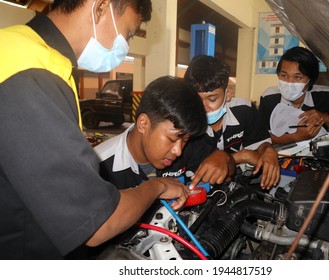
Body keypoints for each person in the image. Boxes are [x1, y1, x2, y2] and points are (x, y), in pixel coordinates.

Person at [0, 0, 190, 260]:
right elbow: (98, 223)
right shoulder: (31, 74)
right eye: (129, 34)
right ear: (101, 7)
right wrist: (157, 187)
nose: (126, 46)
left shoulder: (21, 49)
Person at [94, 75, 229, 189]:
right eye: (172, 139)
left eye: (185, 140)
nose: (178, 151)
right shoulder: (97, 168)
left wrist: (224, 158)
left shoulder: (186, 142)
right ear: (144, 124)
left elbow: (226, 165)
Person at [184, 55, 280, 190]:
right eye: (196, 100)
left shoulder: (244, 110)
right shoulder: (184, 125)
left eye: (212, 99)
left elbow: (260, 145)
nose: (203, 108)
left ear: (227, 94)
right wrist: (242, 155)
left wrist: (269, 151)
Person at [258, 46, 329, 145]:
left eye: (297, 77)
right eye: (284, 75)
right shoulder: (269, 97)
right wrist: (296, 137)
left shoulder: (328, 96)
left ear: (310, 80)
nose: (289, 82)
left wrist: (327, 119)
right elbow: (261, 138)